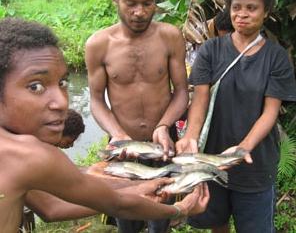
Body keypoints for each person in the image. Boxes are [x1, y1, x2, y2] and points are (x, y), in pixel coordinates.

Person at [0, 17, 210, 233]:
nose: (62, 102)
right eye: (35, 86)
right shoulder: (26, 154)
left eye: (62, 83)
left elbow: (51, 207)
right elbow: (115, 203)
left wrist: (138, 186)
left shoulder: (18, 155)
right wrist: (179, 209)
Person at [176, 0, 296, 233]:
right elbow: (200, 98)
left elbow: (270, 113)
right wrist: (192, 136)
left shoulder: (276, 58)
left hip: (255, 165)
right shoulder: (211, 50)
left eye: (251, 8)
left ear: (266, 12)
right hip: (211, 158)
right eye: (236, 7)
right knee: (217, 224)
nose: (242, 14)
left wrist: (243, 148)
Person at [85, 0, 188, 232]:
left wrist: (163, 126)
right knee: (126, 217)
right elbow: (96, 100)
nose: (140, 12)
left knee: (160, 219)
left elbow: (181, 92)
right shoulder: (98, 44)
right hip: (123, 151)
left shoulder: (170, 36)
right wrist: (118, 134)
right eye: (130, 3)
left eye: (148, 3)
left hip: (163, 147)